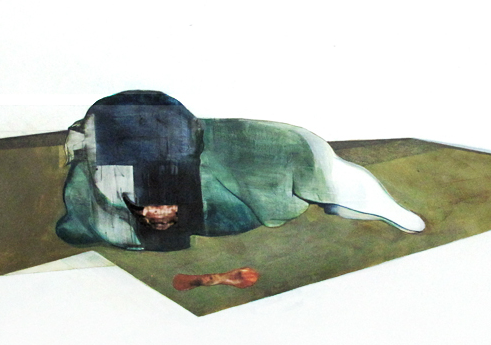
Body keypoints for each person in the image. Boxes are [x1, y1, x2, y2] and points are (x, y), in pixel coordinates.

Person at [56, 90, 424, 251]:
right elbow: (83, 223)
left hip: (209, 168)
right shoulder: (91, 186)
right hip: (161, 184)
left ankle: (374, 207)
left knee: (329, 184)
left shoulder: (281, 148)